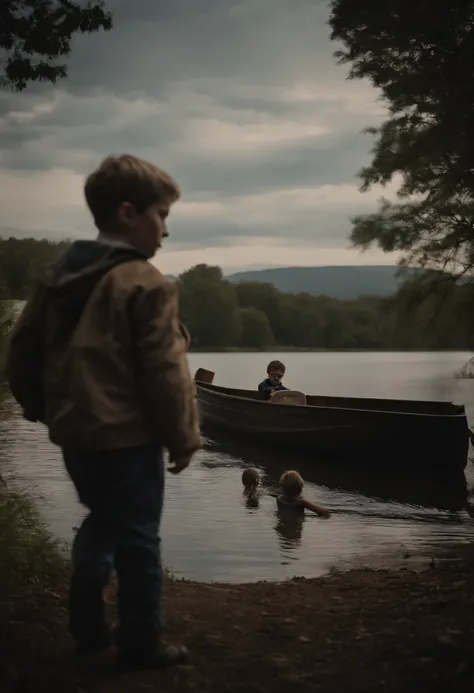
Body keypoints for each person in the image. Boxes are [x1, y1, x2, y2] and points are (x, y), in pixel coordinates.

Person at [6, 154, 201, 672]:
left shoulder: (59, 274)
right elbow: (163, 371)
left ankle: (89, 618)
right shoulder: (144, 282)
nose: (165, 229)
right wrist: (183, 437)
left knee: (105, 517)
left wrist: (40, 408)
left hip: (75, 433)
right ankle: (142, 642)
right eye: (161, 215)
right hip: (130, 436)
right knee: (139, 536)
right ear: (127, 213)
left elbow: (21, 349)